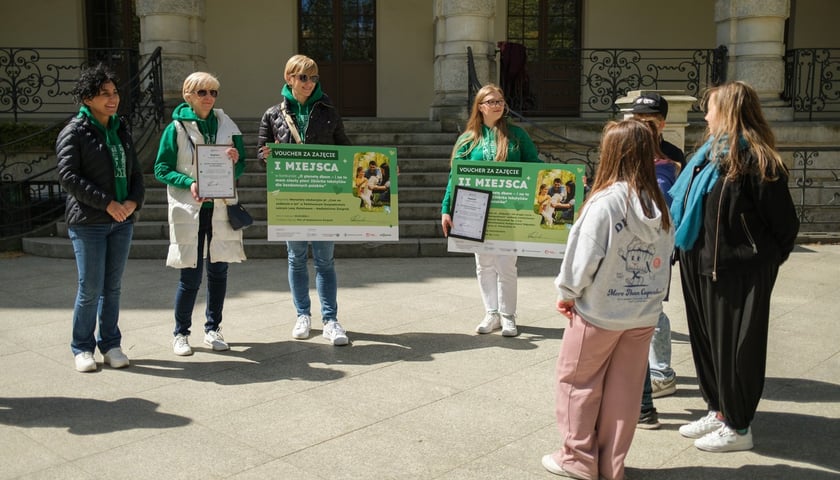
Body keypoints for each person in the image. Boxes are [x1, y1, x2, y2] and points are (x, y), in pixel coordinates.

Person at [669, 81, 799, 452]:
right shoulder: (709, 155)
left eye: (710, 108)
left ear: (728, 112)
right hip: (699, 262)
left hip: (738, 269)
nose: (705, 115)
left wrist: (757, 261)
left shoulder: (757, 161)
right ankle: (719, 410)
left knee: (736, 350)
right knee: (707, 343)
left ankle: (739, 427)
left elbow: (784, 227)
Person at [542, 119, 674, 480]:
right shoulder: (659, 204)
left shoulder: (605, 203)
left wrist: (567, 293)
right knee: (625, 393)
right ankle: (611, 465)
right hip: (643, 313)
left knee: (577, 383)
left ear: (611, 153)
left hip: (599, 312)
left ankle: (577, 457)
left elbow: (582, 258)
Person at [257, 54, 352, 346]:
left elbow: (346, 153)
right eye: (303, 77)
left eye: (313, 77)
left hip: (324, 197)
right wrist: (266, 156)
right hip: (290, 197)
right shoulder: (272, 114)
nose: (309, 83)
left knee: (325, 260)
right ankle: (302, 315)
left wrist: (382, 168)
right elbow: (260, 153)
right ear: (289, 78)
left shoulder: (329, 112)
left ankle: (330, 320)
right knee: (296, 259)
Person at [56, 63, 145, 372]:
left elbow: (135, 172)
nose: (112, 98)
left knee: (113, 286)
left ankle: (110, 344)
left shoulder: (121, 128)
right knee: (91, 287)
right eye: (103, 94)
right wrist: (107, 204)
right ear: (87, 99)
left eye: (114, 92)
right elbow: (68, 177)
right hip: (89, 221)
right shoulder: (75, 131)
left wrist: (134, 201)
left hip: (122, 220)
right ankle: (82, 347)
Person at [154, 72, 247, 356]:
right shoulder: (176, 129)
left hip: (220, 208)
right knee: (190, 276)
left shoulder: (227, 125)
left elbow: (241, 167)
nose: (209, 97)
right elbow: (161, 169)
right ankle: (181, 333)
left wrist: (235, 162)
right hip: (190, 209)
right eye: (202, 92)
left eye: (213, 92)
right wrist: (189, 183)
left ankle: (212, 328)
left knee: (219, 271)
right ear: (188, 95)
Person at [440, 83, 541, 337]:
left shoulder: (517, 136)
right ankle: (491, 313)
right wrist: (446, 209)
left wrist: (564, 175)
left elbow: (535, 166)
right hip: (474, 210)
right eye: (490, 101)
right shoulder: (467, 140)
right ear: (480, 107)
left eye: (499, 101)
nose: (496, 105)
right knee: (484, 264)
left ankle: (508, 316)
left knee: (507, 264)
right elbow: (455, 177)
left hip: (510, 210)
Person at [626, 93, 684, 429]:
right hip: (627, 242)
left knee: (654, 309)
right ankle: (657, 375)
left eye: (648, 120)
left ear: (661, 122)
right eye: (636, 119)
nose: (641, 125)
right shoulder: (624, 147)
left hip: (658, 244)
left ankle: (661, 373)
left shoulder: (673, 156)